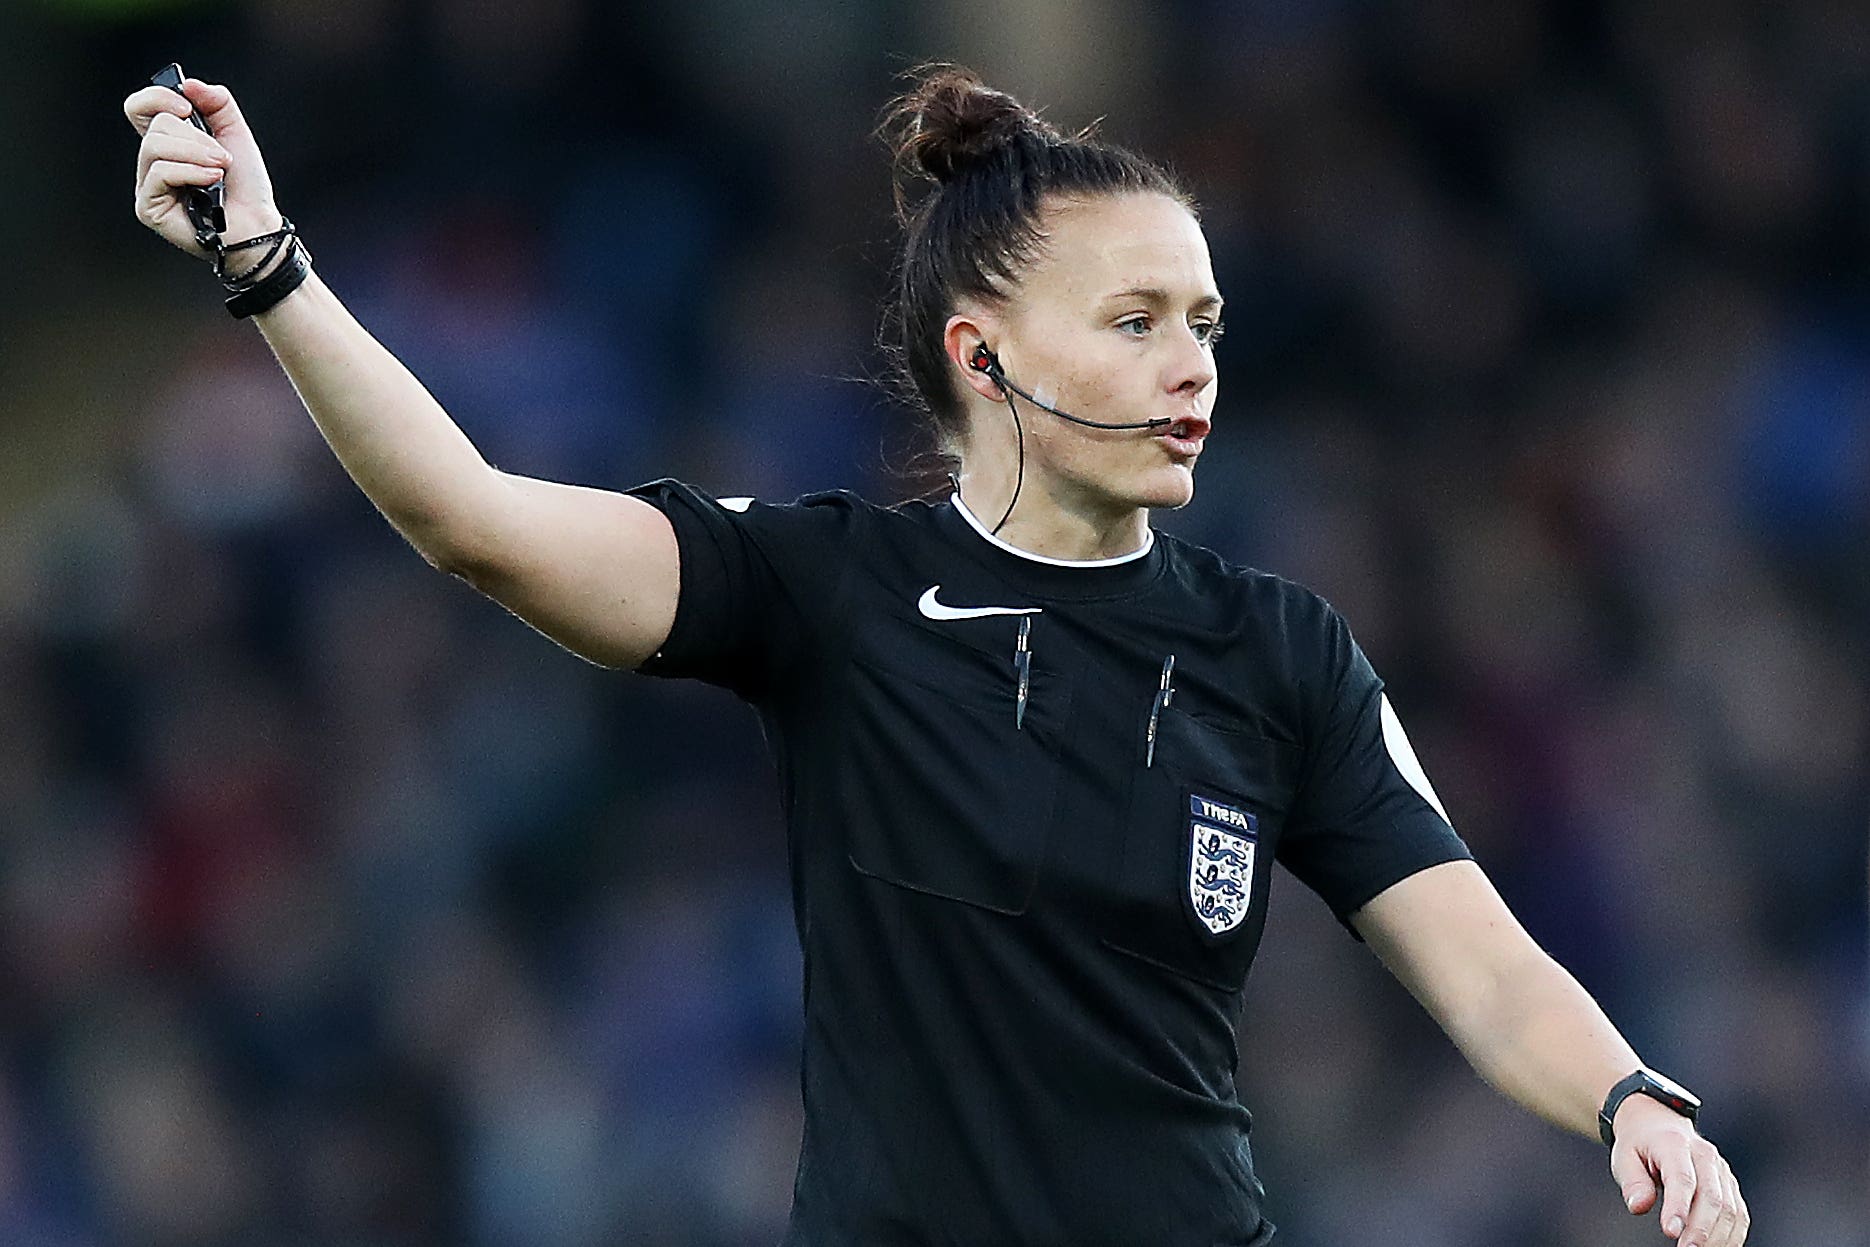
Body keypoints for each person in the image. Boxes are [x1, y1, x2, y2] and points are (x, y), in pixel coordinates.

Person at [123, 63, 1750, 1247]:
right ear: (982, 354)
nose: (1189, 365)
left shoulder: (1279, 651)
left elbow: (1479, 962)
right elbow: (472, 518)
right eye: (1134, 322)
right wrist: (270, 269)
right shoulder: (824, 590)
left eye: (1203, 323)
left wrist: (1628, 1097)